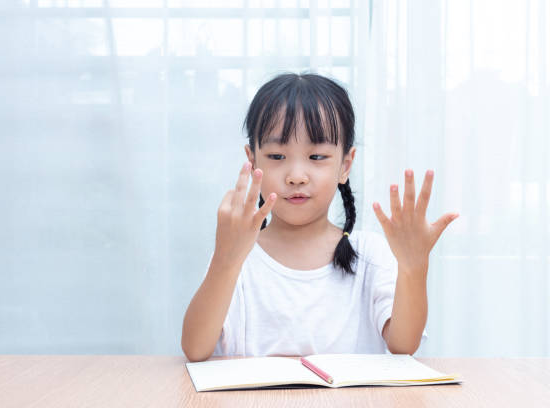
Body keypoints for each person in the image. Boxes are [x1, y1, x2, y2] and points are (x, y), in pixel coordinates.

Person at [181, 72, 459, 362]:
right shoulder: (237, 255)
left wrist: (414, 266)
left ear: (345, 165)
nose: (297, 177)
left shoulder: (369, 254)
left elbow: (404, 344)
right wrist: (225, 261)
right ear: (252, 162)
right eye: (277, 156)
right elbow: (195, 348)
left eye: (316, 157)